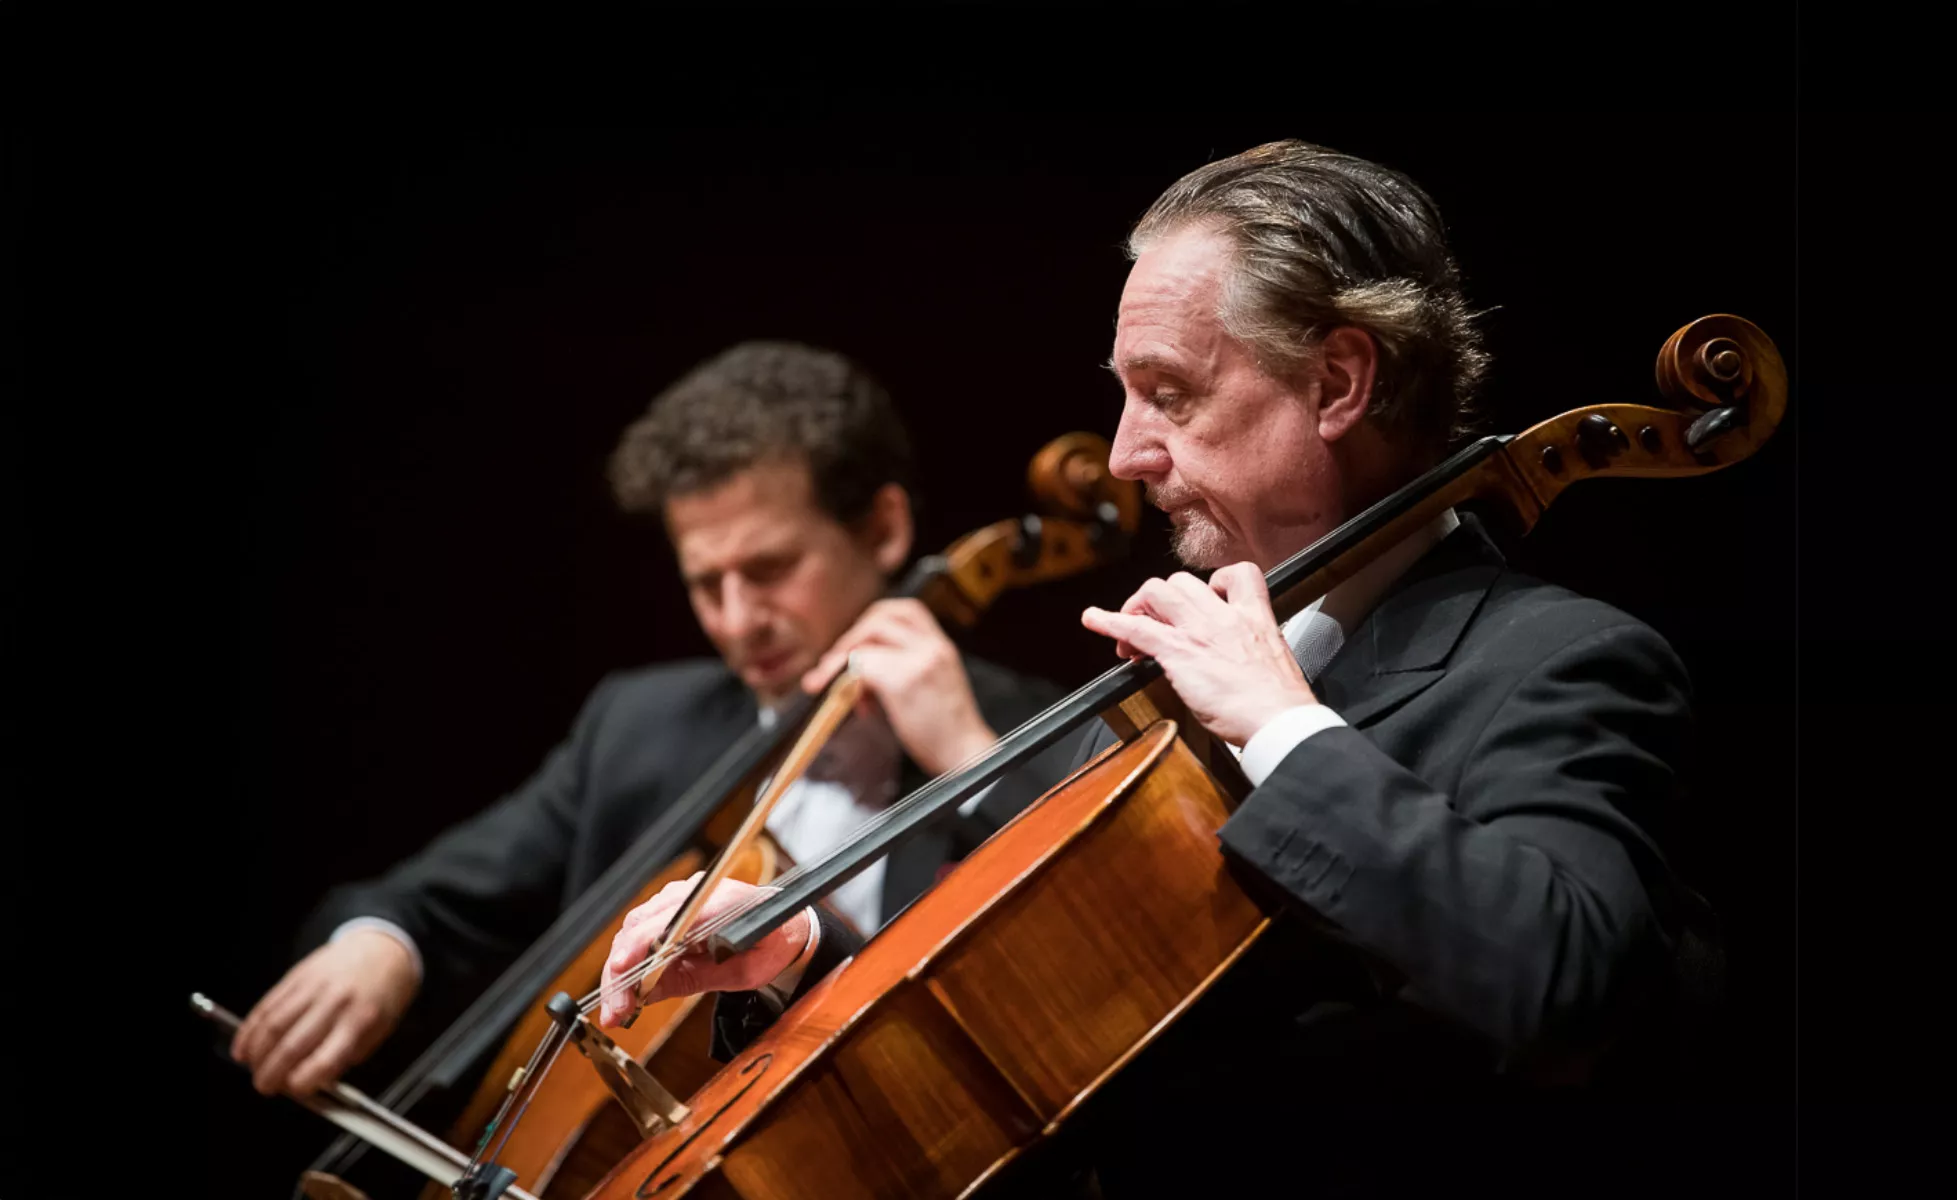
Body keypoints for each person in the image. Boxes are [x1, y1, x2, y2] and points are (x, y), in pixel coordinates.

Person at [599, 142, 1723, 1196]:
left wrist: (1285, 731)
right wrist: (797, 962)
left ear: (1337, 382)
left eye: (1171, 394)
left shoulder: (1559, 663)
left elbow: (1564, 982)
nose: (1129, 451)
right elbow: (1024, 1039)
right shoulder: (1156, 692)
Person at [227, 340, 1064, 1106]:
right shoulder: (640, 724)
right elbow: (440, 902)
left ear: (883, 527)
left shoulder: (1040, 728)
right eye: (707, 583)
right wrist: (380, 946)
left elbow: (1075, 978)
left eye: (771, 568)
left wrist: (968, 754)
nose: (737, 621)